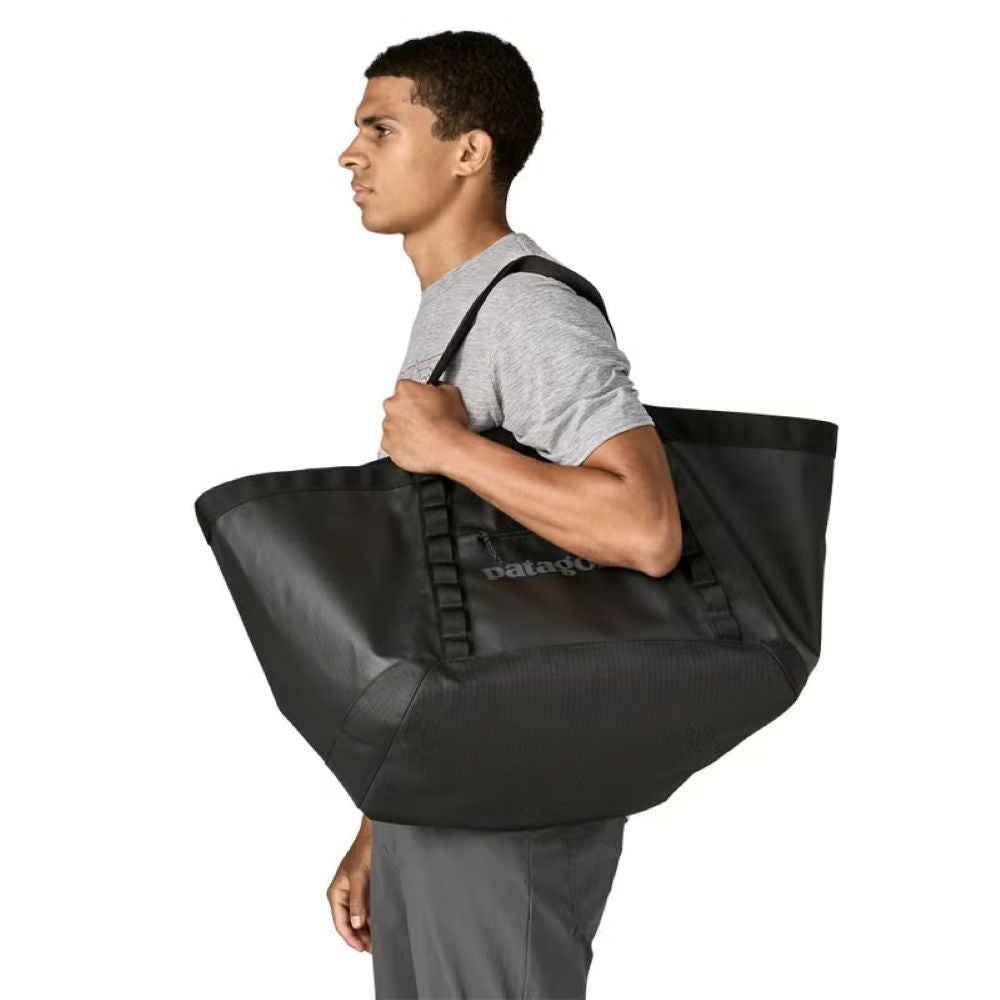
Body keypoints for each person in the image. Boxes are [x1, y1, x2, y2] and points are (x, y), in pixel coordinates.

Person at [327, 30, 682, 1000]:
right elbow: (455, 600)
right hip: (446, 787)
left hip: (514, 791)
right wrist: (382, 816)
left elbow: (646, 527)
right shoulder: (456, 307)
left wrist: (449, 448)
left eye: (380, 128)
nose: (349, 153)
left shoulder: (526, 312)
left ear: (468, 151)